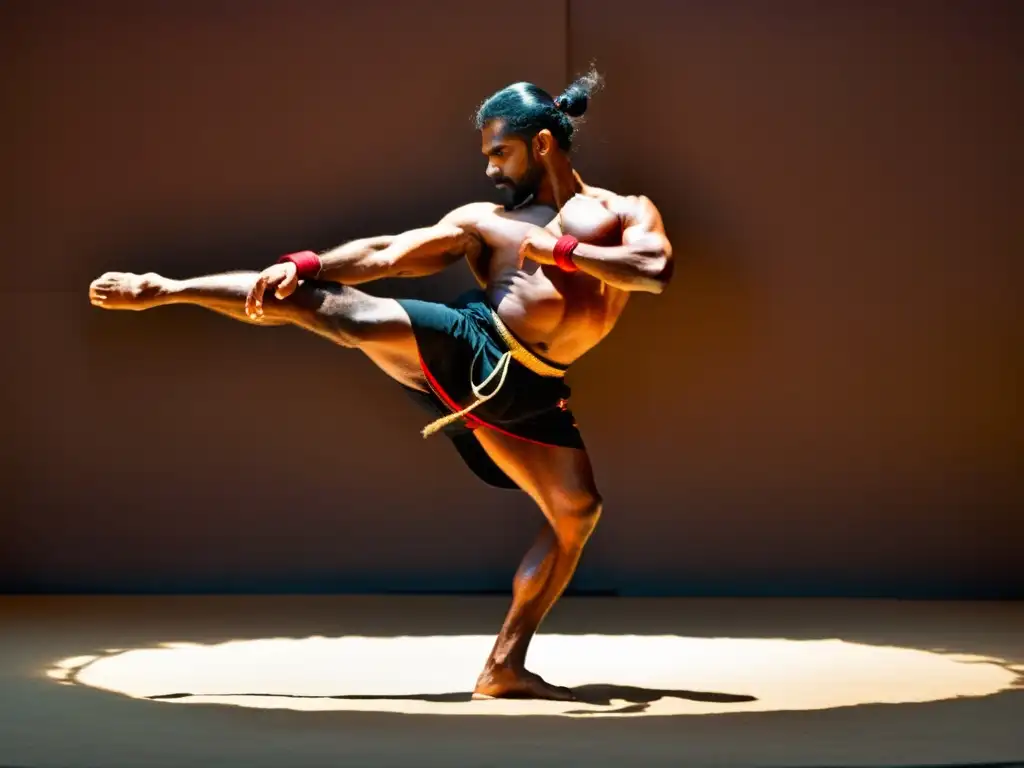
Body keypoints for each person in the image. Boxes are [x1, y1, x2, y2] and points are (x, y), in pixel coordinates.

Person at [88, 68, 674, 701]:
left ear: (540, 145)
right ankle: (164, 289)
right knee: (335, 309)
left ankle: (504, 668)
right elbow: (389, 252)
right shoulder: (484, 221)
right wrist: (305, 263)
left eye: (499, 153)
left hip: (535, 389)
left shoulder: (625, 210)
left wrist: (556, 251)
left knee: (577, 514)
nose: (489, 171)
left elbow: (653, 270)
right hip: (476, 349)